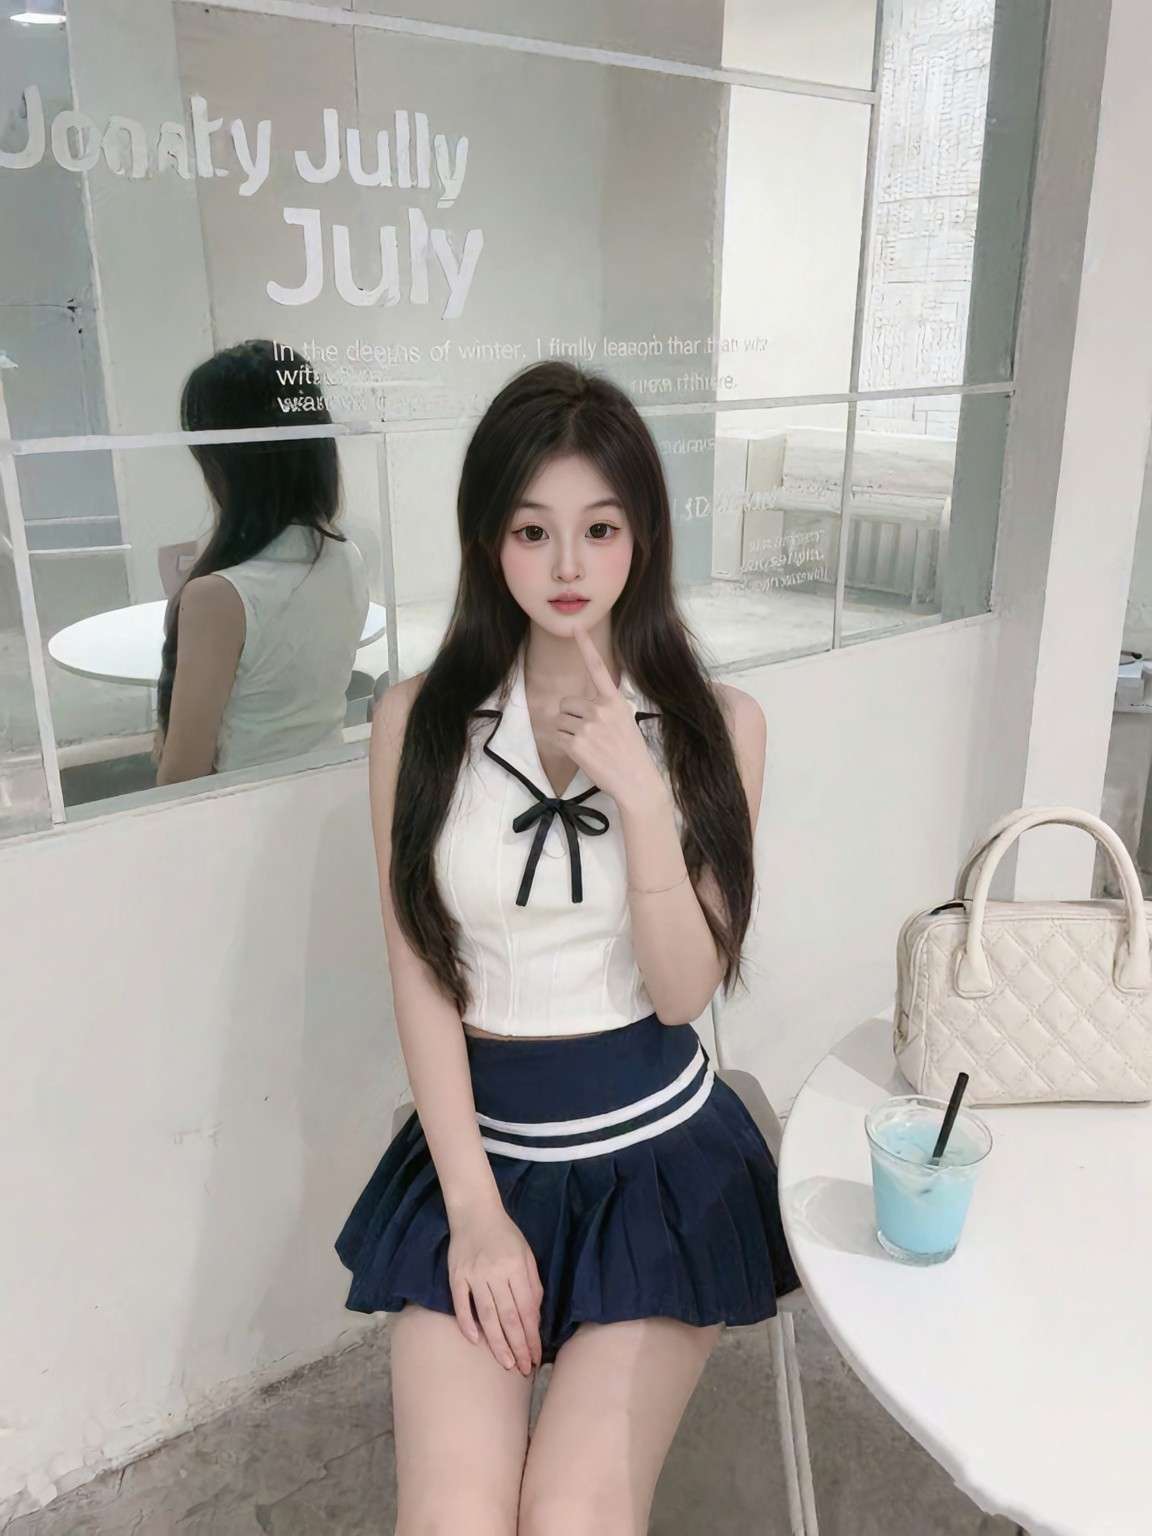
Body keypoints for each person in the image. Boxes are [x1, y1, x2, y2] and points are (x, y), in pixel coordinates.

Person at [334, 360, 801, 1535]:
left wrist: (643, 799)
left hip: (657, 1163)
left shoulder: (720, 728)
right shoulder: (415, 723)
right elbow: (420, 972)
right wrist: (475, 1214)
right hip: (479, 1160)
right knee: (452, 1519)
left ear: (643, 536)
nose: (567, 566)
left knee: (573, 1517)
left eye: (600, 528)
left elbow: (683, 991)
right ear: (488, 540)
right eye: (533, 531)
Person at [152, 338, 369, 784]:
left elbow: (180, 780)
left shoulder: (219, 597)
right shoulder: (346, 557)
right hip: (329, 793)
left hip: (246, 810)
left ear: (224, 462)